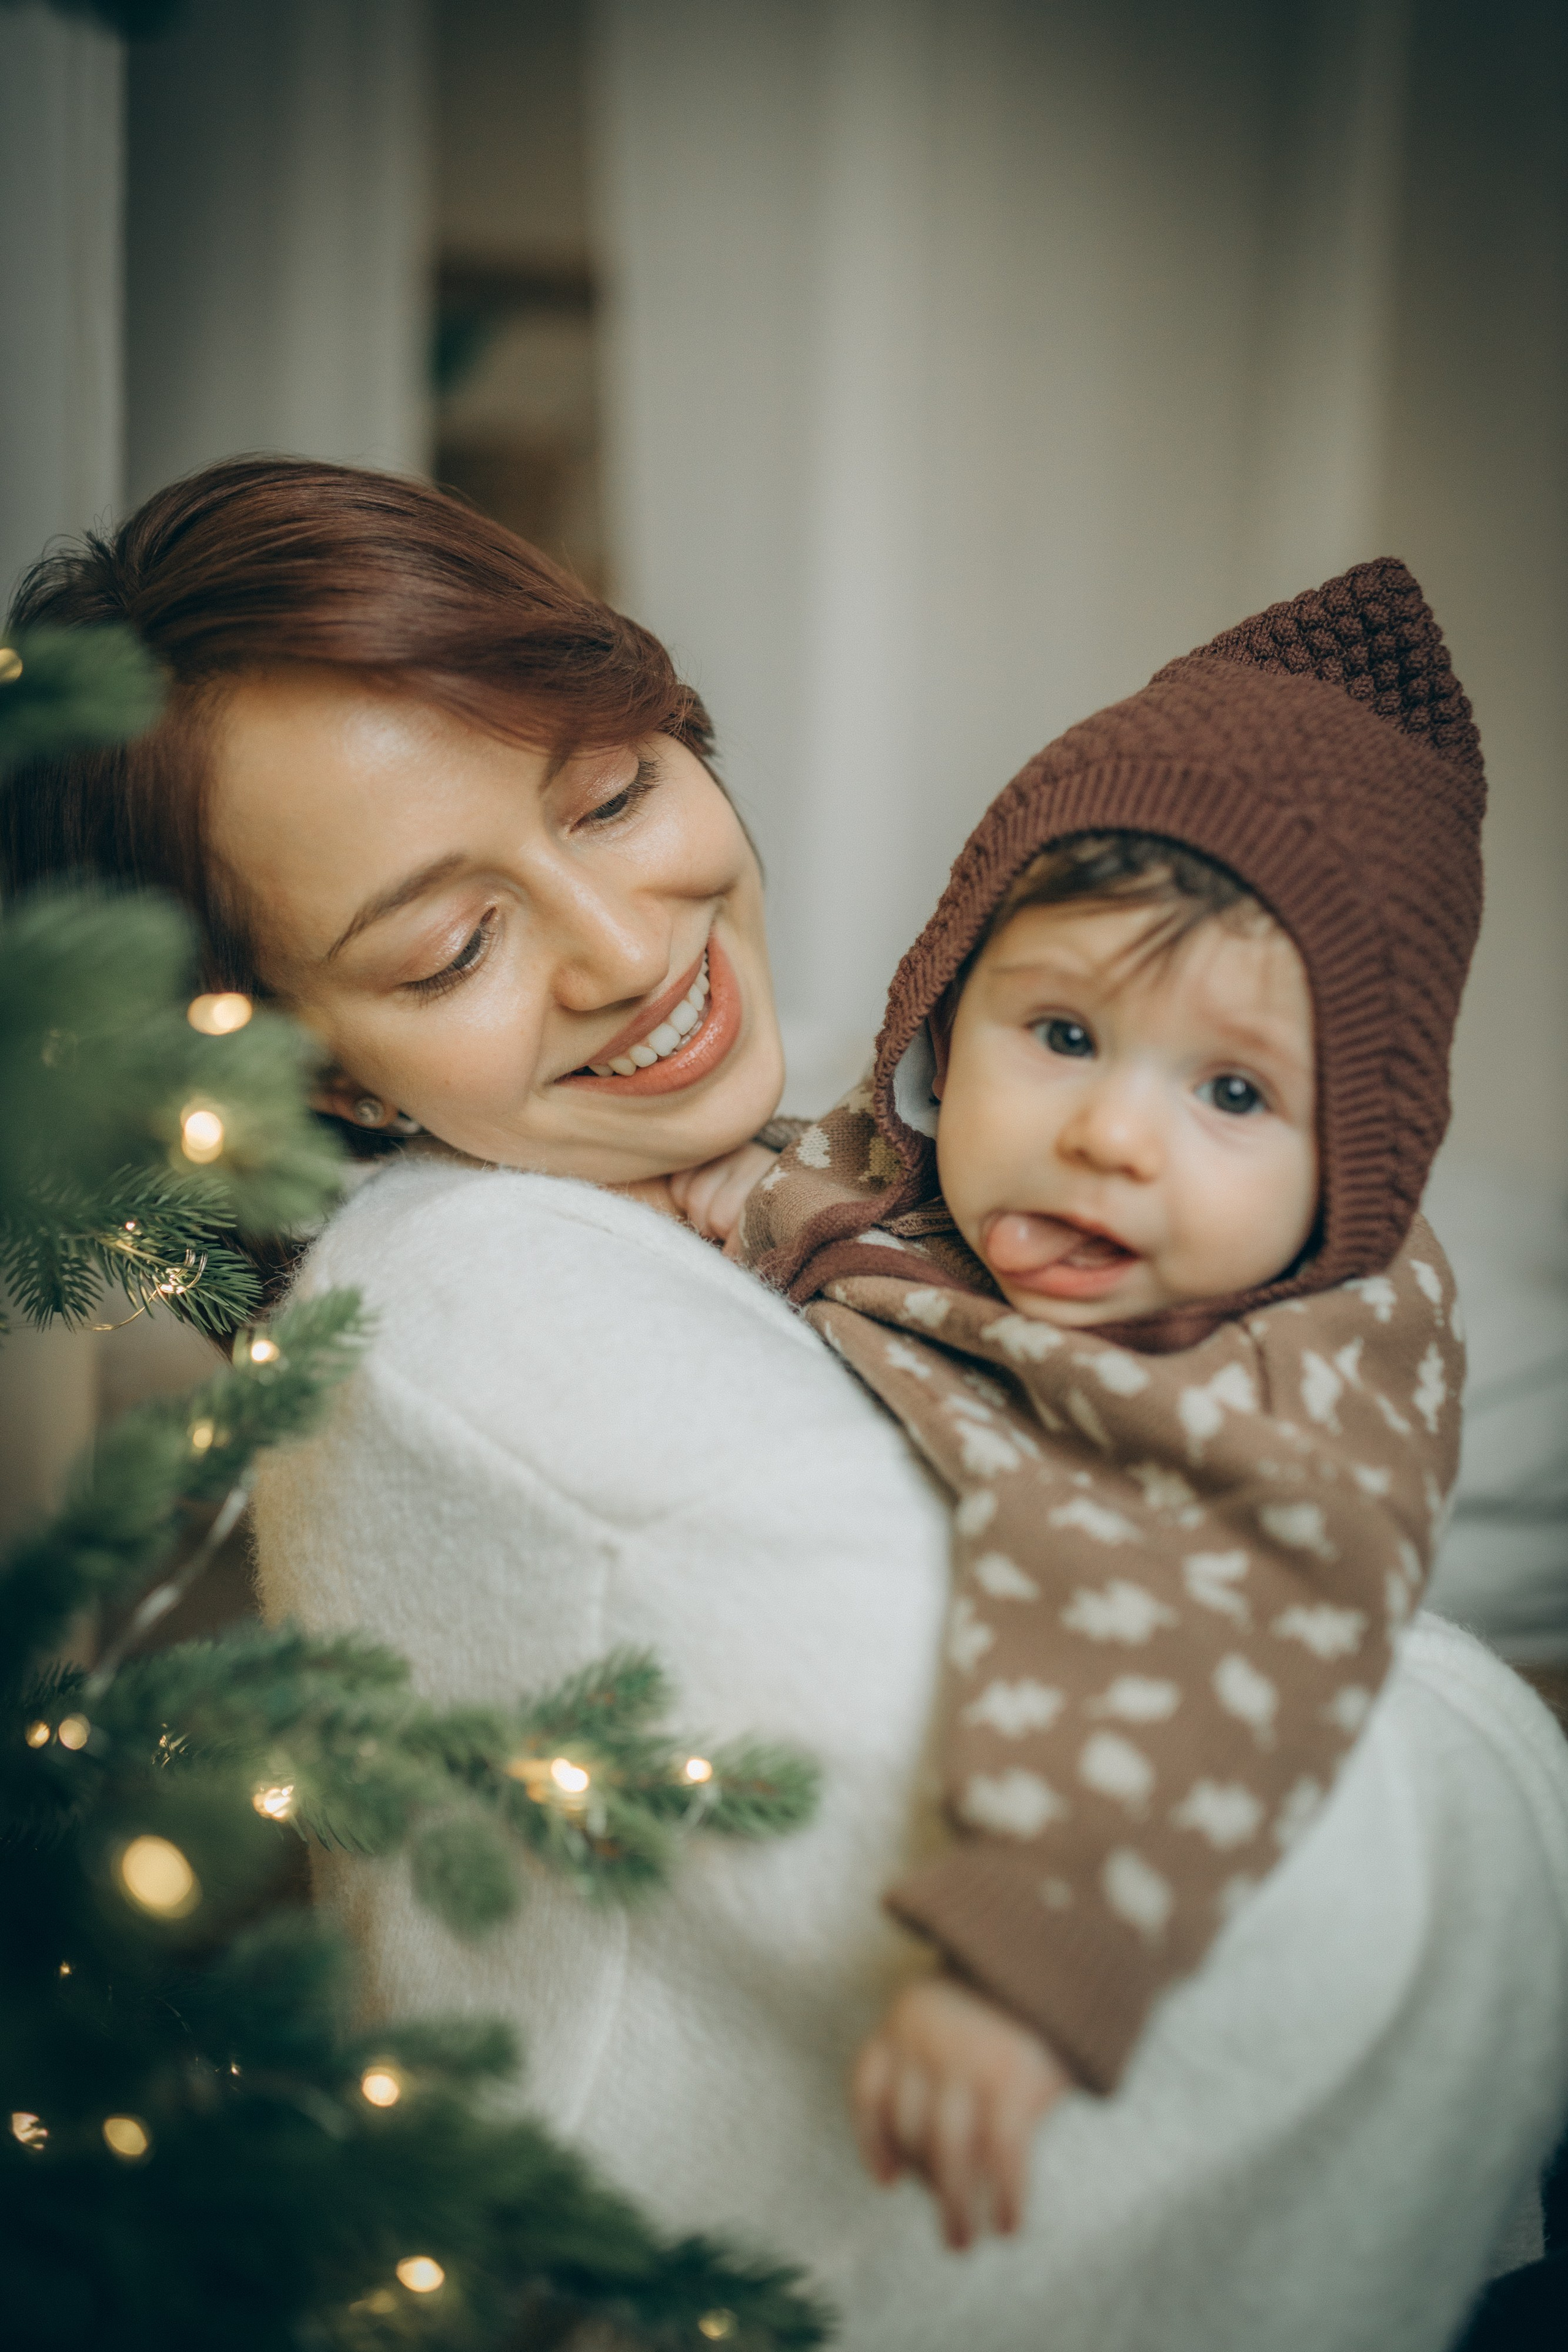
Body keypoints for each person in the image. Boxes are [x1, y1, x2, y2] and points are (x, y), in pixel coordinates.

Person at [6, 459, 1568, 2352]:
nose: (627, 945)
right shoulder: (491, 1312)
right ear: (312, 1070)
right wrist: (1501, 1748)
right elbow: (1286, 1930)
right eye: (452, 947)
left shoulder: (744, 1182)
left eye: (615, 791)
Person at [734, 561, 1477, 2239]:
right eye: (1060, 1031)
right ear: (946, 1011)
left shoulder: (1310, 1361)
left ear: (1355, 1155)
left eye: (1231, 1090)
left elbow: (1252, 1605)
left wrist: (1036, 1937)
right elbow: (780, 1194)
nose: (1113, 1136)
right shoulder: (899, 1160)